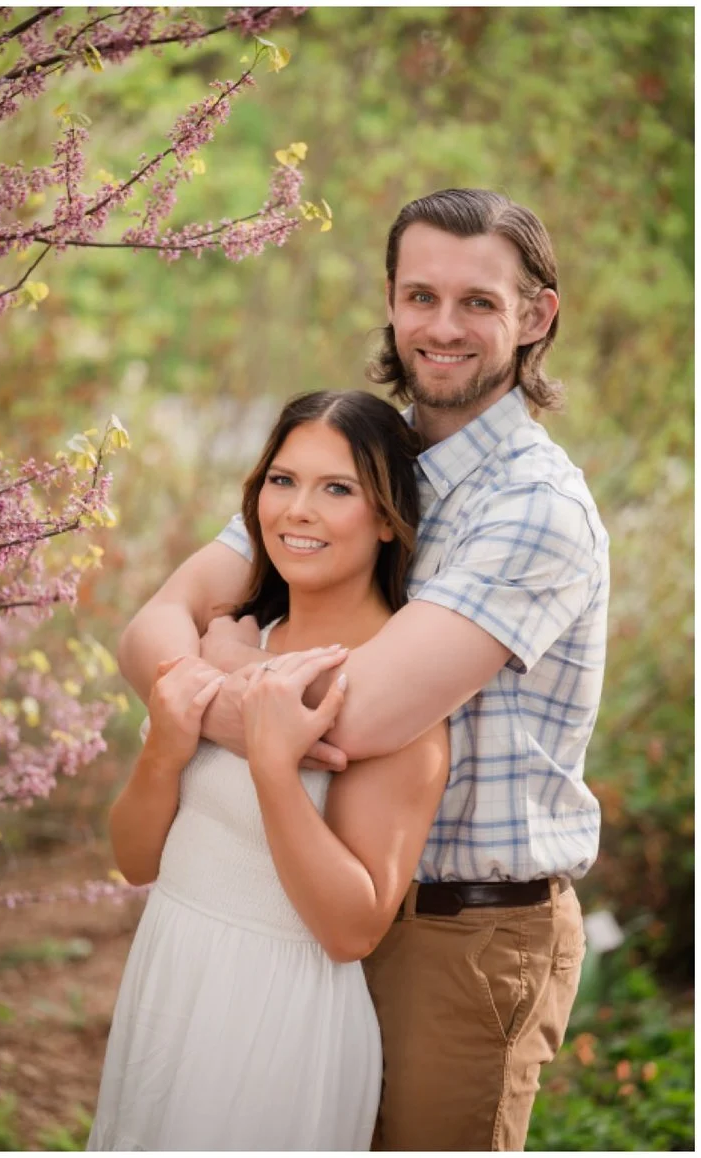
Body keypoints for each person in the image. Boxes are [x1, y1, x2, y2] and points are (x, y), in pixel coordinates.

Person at [120, 189, 607, 1149]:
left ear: (536, 315)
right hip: (302, 915)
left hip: (458, 933)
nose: (444, 326)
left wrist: (212, 673)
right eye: (420, 295)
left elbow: (351, 718)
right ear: (390, 301)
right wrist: (226, 679)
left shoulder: (534, 508)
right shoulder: (353, 453)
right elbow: (152, 625)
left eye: (479, 301)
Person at [92, 391, 448, 1148]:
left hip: (276, 1014)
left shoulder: (385, 695)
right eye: (282, 482)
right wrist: (166, 741)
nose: (298, 511)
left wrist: (276, 769)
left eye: (337, 489)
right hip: (171, 971)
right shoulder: (238, 639)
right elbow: (133, 860)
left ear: (387, 519)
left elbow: (353, 928)